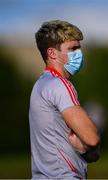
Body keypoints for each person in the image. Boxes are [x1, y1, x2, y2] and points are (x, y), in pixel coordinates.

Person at [29, 20, 100, 179]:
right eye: (72, 48)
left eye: (79, 48)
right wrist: (86, 145)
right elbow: (92, 138)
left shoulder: (40, 85)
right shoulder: (60, 85)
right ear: (52, 53)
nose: (79, 54)